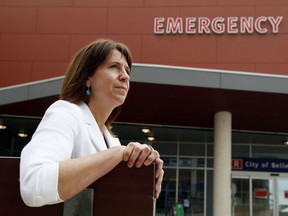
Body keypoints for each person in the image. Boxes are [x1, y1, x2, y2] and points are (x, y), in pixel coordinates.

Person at [20, 38, 164, 207]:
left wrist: (146, 168)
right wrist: (118, 153)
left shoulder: (111, 140)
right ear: (88, 78)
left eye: (127, 70)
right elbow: (34, 185)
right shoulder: (65, 112)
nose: (125, 76)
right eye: (114, 67)